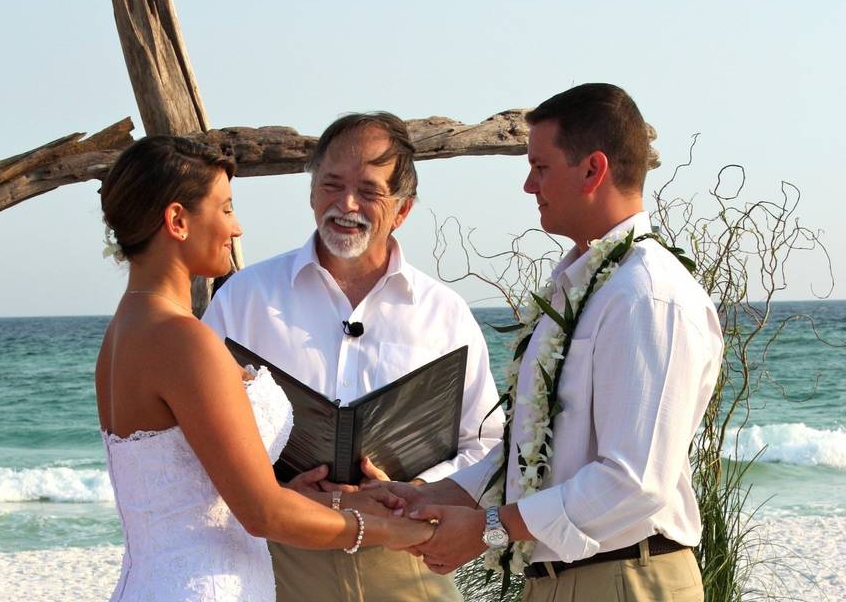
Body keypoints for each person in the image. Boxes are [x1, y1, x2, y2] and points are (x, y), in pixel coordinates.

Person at [378, 84, 724, 602]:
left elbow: (634, 483)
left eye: (540, 168)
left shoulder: (647, 296)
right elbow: (538, 451)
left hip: (628, 580)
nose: (527, 185)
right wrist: (428, 496)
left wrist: (489, 528)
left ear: (592, 170)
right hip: (563, 580)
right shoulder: (581, 288)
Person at [95, 136, 434, 602]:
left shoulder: (124, 331)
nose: (236, 228)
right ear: (177, 221)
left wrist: (341, 499)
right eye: (226, 208)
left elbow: (202, 500)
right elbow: (262, 513)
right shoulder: (182, 340)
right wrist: (383, 531)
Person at [203, 112, 504, 602]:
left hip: (405, 561)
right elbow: (196, 434)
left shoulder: (444, 313)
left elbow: (488, 444)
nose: (346, 205)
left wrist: (417, 493)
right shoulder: (245, 298)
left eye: (368, 191)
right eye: (332, 185)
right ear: (311, 192)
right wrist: (276, 492)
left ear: (402, 210)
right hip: (278, 557)